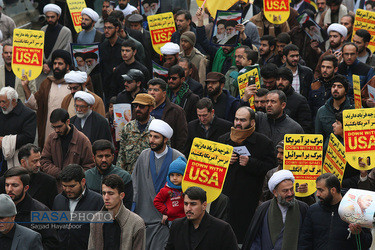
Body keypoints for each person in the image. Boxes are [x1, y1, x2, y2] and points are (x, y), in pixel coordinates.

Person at [218, 107, 277, 243]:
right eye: (236, 119)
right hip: (225, 197)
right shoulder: (223, 140)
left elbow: (271, 168)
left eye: (243, 120)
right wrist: (224, 160)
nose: (238, 123)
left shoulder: (263, 142)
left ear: (252, 123)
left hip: (249, 200)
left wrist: (251, 163)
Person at [132, 119, 185, 250]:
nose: (151, 140)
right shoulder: (144, 156)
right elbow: (134, 185)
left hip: (167, 221)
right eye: (150, 136)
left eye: (156, 137)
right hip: (144, 218)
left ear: (165, 139)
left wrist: (172, 214)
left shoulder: (178, 158)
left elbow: (185, 192)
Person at [299, 173, 373, 249]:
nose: (317, 194)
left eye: (321, 190)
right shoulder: (313, 210)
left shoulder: (356, 211)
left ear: (333, 190)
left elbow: (366, 244)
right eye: (317, 189)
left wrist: (357, 234)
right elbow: (305, 242)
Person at [242, 170, 309, 249]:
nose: (290, 194)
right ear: (275, 193)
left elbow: (307, 239)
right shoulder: (264, 209)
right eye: (285, 191)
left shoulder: (302, 208)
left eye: (291, 189)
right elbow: (256, 241)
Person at [22, 49, 72, 148]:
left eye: (60, 64)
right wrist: (25, 87)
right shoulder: (47, 83)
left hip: (68, 129)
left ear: (67, 66)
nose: (56, 66)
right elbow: (34, 104)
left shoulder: (73, 84)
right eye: (55, 63)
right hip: (49, 130)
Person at [165, 186, 238, 250]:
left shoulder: (222, 228)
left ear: (204, 205)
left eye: (193, 204)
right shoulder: (177, 225)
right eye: (186, 204)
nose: (188, 208)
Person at [4, 167, 59, 249]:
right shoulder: (2, 207)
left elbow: (51, 243)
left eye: (14, 185)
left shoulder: (41, 212)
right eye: (7, 185)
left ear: (26, 188)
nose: (9, 189)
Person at [52, 164, 103, 250]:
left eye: (72, 186)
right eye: (64, 186)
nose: (67, 190)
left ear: (83, 182)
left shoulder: (97, 201)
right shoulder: (58, 200)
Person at [88, 174, 146, 250]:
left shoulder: (136, 223)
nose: (106, 198)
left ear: (121, 196)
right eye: (104, 193)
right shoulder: (96, 220)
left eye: (111, 193)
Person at [40, 108, 94, 178]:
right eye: (54, 127)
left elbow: (89, 165)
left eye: (59, 126)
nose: (56, 130)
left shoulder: (82, 140)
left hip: (75, 185)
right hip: (56, 184)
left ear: (67, 122)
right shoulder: (51, 139)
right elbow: (44, 161)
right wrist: (59, 173)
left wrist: (73, 177)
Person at [85, 139, 133, 209]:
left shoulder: (124, 177)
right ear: (93, 158)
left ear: (113, 157)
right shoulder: (87, 176)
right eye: (100, 156)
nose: (104, 160)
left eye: (107, 156)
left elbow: (127, 205)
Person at [0, 87, 36, 175]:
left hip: (16, 157)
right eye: (0, 101)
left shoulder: (28, 114)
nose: (1, 105)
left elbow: (29, 137)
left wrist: (4, 141)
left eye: (4, 102)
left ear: (13, 101)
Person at [116, 93, 155, 173]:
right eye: (135, 106)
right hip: (130, 176)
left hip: (150, 176)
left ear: (150, 109)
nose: (137, 109)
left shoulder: (157, 128)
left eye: (141, 106)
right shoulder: (128, 128)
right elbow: (121, 157)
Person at [148, 78, 188, 153]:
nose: (152, 93)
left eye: (156, 90)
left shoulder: (176, 111)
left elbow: (181, 138)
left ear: (164, 93)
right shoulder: (141, 108)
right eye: (150, 90)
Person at [315, 74, 353, 150]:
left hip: (350, 154)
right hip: (329, 155)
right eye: (333, 86)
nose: (335, 89)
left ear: (346, 91)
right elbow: (318, 138)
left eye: (339, 87)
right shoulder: (322, 111)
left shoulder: (354, 110)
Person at [38, 4, 72, 88]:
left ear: (58, 16)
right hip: (41, 71)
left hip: (57, 72)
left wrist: (50, 65)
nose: (50, 19)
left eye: (52, 17)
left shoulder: (66, 32)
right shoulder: (42, 30)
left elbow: (66, 52)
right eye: (48, 17)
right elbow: (37, 49)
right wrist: (42, 64)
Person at [18, 144, 57, 209]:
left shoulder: (49, 182)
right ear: (23, 162)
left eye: (39, 160)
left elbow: (54, 212)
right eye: (35, 161)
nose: (39, 164)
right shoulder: (5, 181)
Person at [276, 67, 313, 133]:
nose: (280, 82)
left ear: (290, 82)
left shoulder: (300, 101)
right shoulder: (271, 98)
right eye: (278, 79)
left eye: (284, 79)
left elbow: (306, 126)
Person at [153, 156, 186, 226]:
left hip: (186, 219)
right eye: (172, 175)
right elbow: (156, 201)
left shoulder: (187, 189)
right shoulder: (166, 190)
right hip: (172, 220)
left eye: (178, 175)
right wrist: (165, 211)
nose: (174, 178)